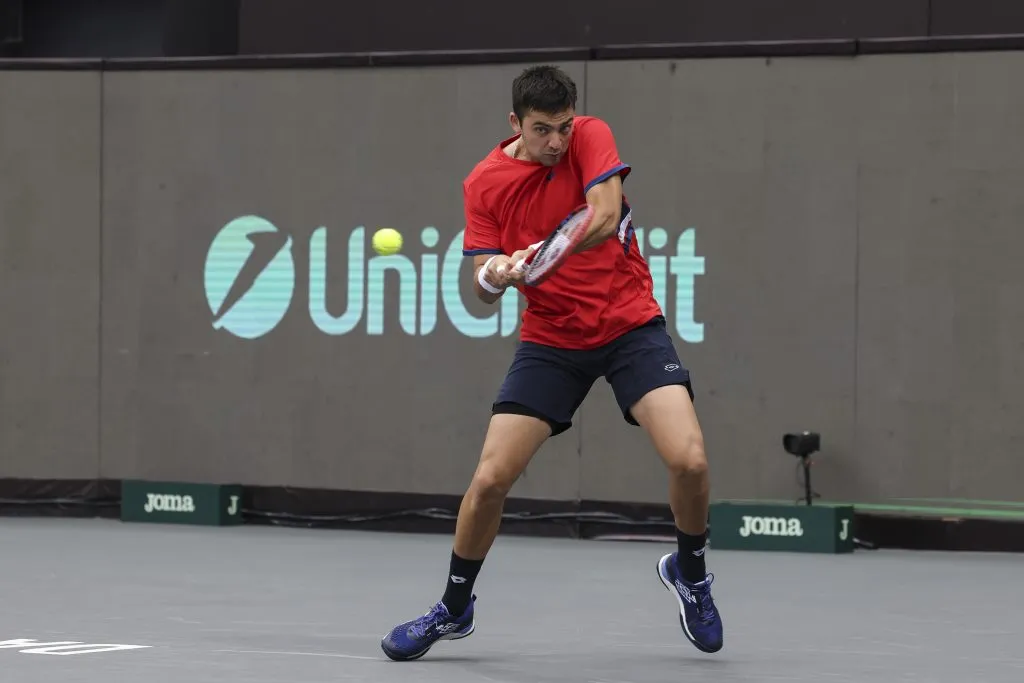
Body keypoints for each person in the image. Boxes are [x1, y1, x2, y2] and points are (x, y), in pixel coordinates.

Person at [381, 64, 723, 661]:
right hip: (551, 340)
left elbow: (605, 214)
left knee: (690, 460)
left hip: (629, 326)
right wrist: (496, 272)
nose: (558, 142)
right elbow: (482, 286)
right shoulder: (484, 184)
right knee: (490, 479)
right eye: (543, 130)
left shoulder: (592, 135)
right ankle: (453, 609)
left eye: (564, 127)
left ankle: (689, 572)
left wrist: (541, 254)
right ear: (515, 123)